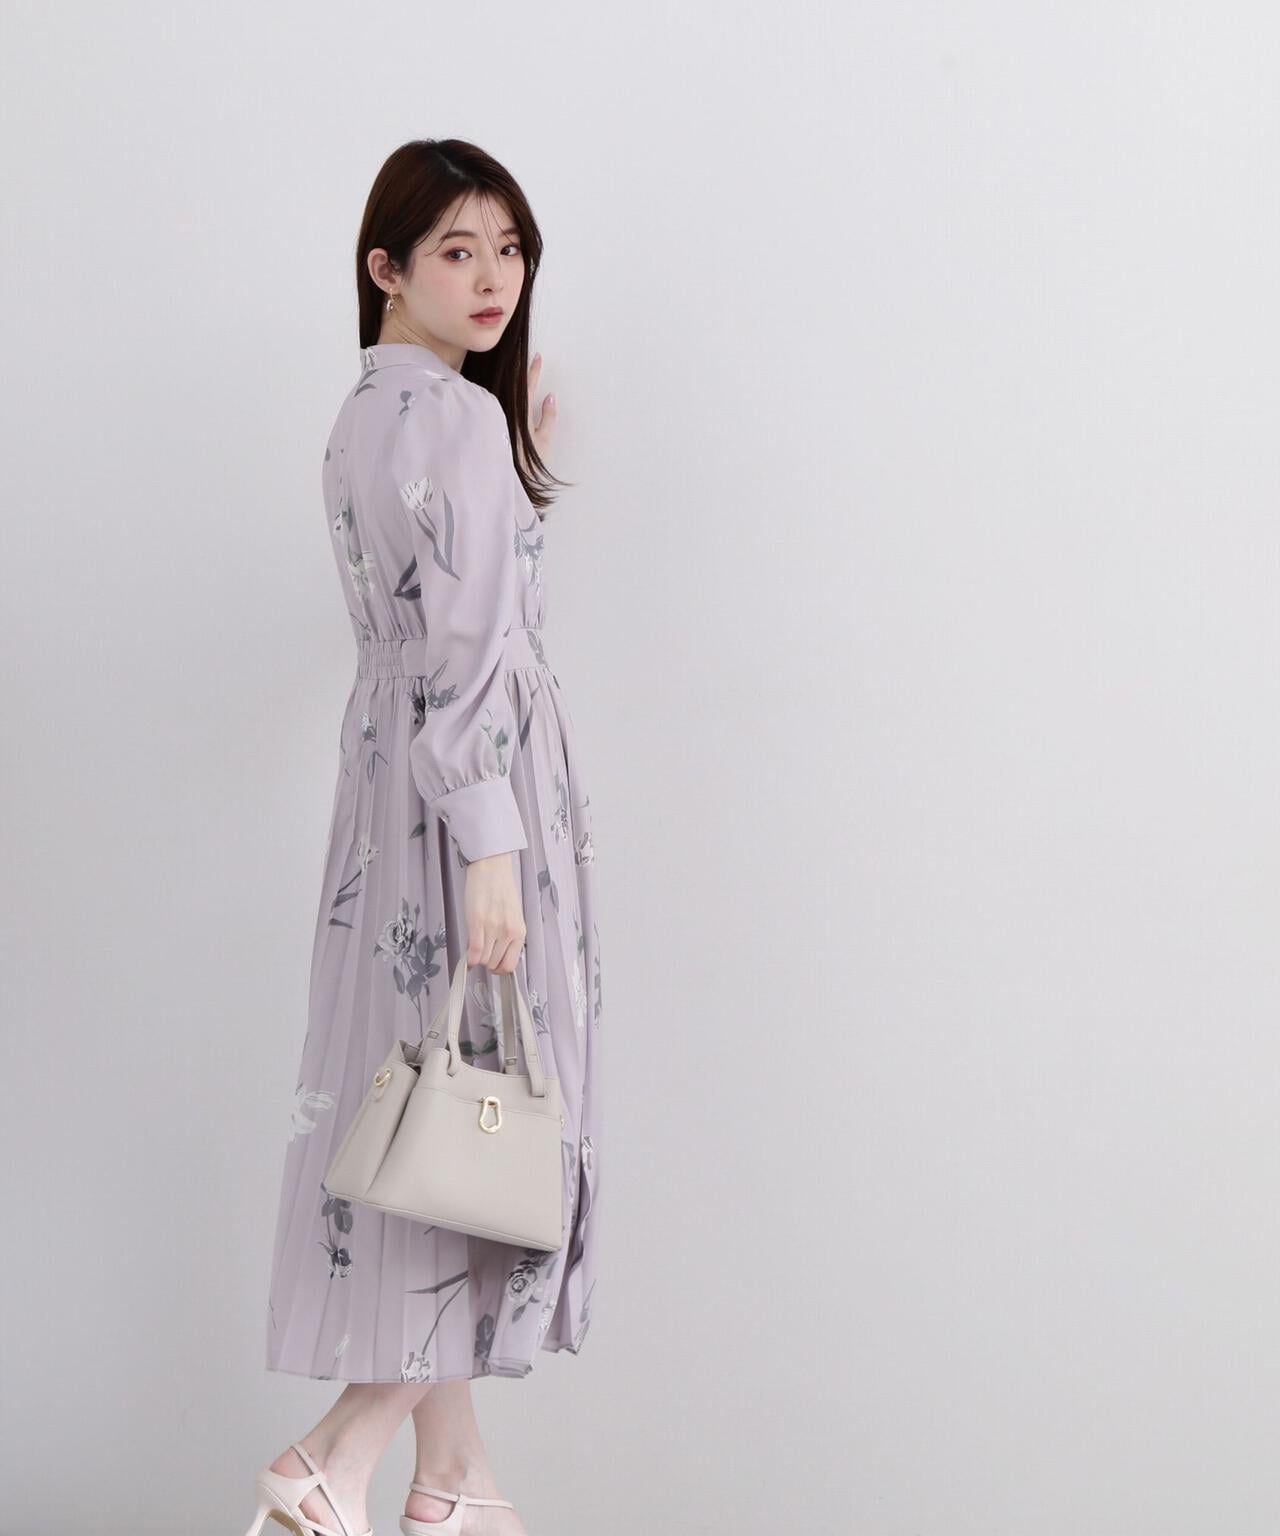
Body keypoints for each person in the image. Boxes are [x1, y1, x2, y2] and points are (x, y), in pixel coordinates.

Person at [243, 138, 603, 1536]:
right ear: (385, 267)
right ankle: (337, 1453)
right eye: (458, 249)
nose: (493, 276)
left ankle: (452, 1481)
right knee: (496, 1100)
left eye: (509, 248)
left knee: (439, 1109)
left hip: (391, 795)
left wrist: (517, 475)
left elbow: (438, 610)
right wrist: (494, 842)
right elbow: (468, 653)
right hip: (467, 795)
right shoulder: (449, 418)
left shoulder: (371, 413)